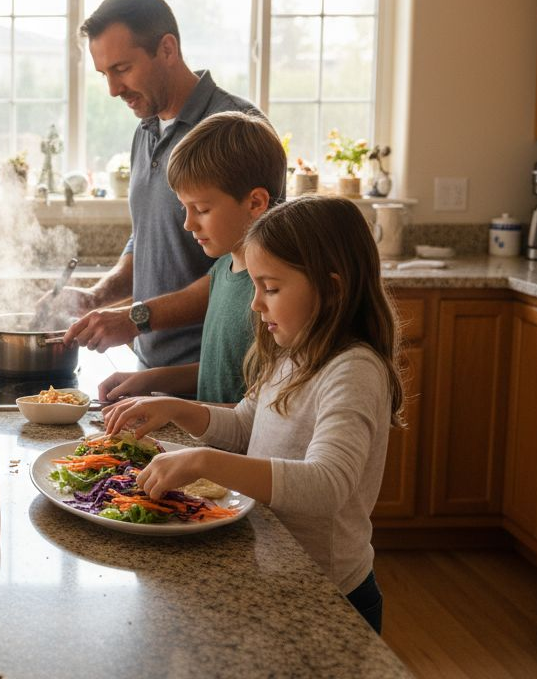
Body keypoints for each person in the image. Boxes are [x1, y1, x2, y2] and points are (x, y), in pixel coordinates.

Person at [102, 196, 402, 633]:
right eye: (256, 287)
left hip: (330, 597)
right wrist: (172, 407)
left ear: (333, 289)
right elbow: (244, 424)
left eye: (272, 288)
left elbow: (328, 484)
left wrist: (204, 462)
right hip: (276, 570)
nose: (256, 305)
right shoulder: (292, 352)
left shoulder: (352, 369)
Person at [51, 0, 264, 368]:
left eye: (122, 69)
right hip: (151, 370)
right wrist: (97, 296)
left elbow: (253, 266)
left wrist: (135, 319)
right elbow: (149, 236)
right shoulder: (146, 131)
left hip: (215, 376)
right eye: (104, 74)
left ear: (167, 49)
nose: (113, 90)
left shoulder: (236, 130)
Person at [97, 111, 286, 405]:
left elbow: (261, 407)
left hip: (237, 451)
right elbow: (220, 373)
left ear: (255, 202)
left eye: (201, 209)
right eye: (185, 208)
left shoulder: (272, 292)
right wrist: (147, 380)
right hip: (212, 443)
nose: (188, 224)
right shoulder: (224, 268)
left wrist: (175, 407)